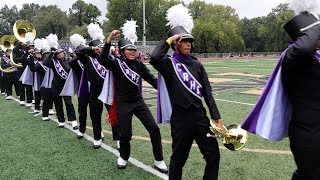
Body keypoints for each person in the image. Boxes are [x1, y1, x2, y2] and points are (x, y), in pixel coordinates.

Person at [150, 24, 224, 180]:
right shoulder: (169, 65)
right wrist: (169, 40)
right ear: (176, 44)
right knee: (178, 160)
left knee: (213, 155)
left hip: (200, 117)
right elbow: (154, 58)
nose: (188, 44)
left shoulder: (197, 65)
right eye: (184, 41)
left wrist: (217, 118)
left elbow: (208, 94)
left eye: (190, 41)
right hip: (181, 120)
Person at [101, 28, 168, 173]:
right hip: (123, 103)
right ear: (121, 51)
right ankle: (124, 156)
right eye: (129, 49)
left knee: (154, 129)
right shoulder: (116, 64)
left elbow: (151, 79)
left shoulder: (138, 64)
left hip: (138, 101)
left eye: (134, 49)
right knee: (125, 134)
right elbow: (103, 60)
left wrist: (165, 90)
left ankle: (159, 159)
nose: (133, 52)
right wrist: (109, 39)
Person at [282, 11, 320, 180]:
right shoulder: (292, 56)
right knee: (309, 175)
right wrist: (316, 27)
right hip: (307, 132)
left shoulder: (315, 58)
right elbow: (304, 47)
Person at [43, 49, 77, 129]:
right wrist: (51, 52)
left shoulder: (69, 61)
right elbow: (45, 62)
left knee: (68, 103)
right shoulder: (53, 63)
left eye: (61, 53)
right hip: (56, 86)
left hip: (66, 86)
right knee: (58, 104)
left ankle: (73, 121)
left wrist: (73, 55)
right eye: (57, 54)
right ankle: (61, 120)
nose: (60, 54)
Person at [12, 41, 33, 106]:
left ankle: (30, 100)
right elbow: (15, 58)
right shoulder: (17, 49)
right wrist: (20, 44)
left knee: (29, 85)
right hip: (21, 68)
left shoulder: (29, 48)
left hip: (29, 68)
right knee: (21, 85)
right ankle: (22, 99)